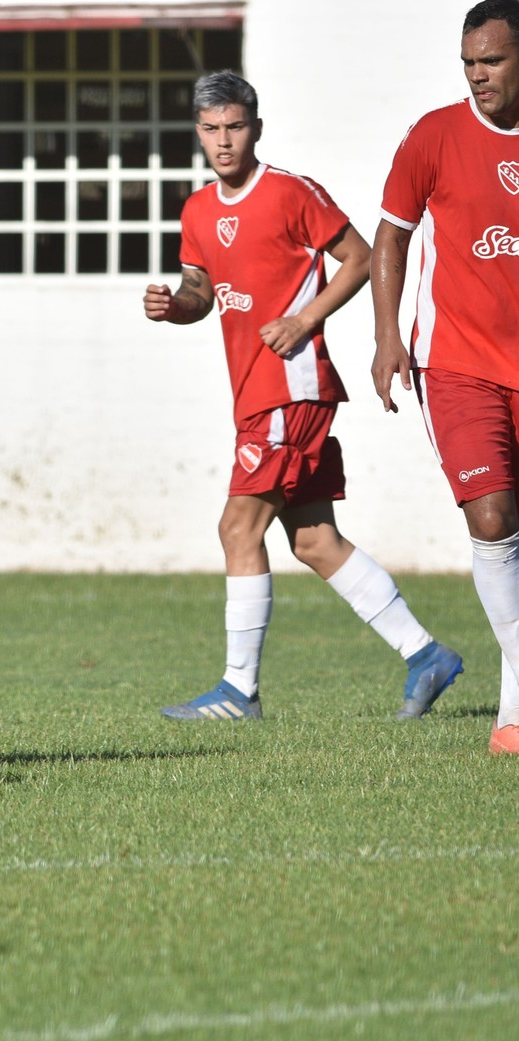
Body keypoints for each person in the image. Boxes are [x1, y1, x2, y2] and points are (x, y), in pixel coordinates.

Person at [143, 71, 462, 721]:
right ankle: (424, 653)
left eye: (234, 126)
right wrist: (173, 305)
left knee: (237, 525)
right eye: (210, 130)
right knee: (313, 539)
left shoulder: (292, 193)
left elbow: (360, 254)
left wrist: (303, 318)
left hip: (290, 389)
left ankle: (238, 690)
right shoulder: (197, 211)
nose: (222, 141)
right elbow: (202, 293)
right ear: (197, 135)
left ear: (254, 128)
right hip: (256, 394)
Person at [372, 0, 519, 753]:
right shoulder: (433, 135)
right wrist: (386, 335)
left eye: (490, 60)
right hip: (456, 364)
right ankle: (515, 710)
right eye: (467, 62)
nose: (476, 75)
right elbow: (389, 237)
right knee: (491, 517)